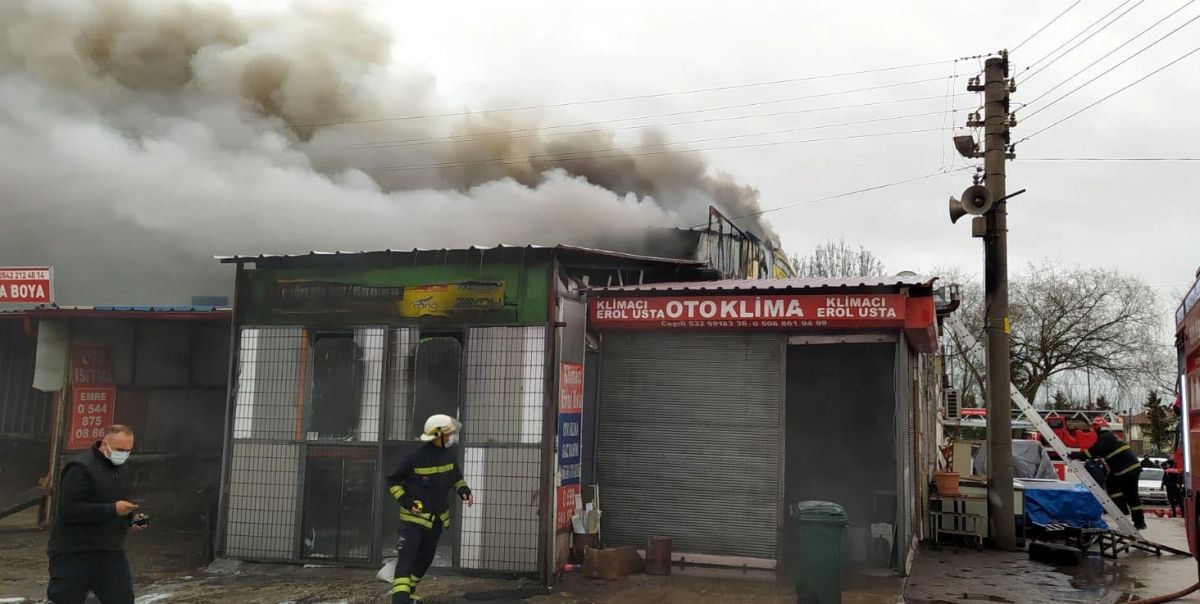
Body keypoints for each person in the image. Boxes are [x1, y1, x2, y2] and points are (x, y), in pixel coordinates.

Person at [47, 425, 149, 604]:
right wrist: (113, 509)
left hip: (109, 551)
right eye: (119, 450)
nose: (124, 454)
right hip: (74, 552)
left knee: (122, 599)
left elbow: (120, 506)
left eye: (128, 450)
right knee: (65, 599)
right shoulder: (80, 468)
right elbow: (70, 511)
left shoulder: (124, 470)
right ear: (104, 445)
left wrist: (131, 519)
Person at [386, 414, 473, 603]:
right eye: (448, 434)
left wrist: (465, 491)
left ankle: (409, 593)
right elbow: (392, 480)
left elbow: (456, 478)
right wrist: (407, 501)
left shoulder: (449, 455)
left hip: (436, 521)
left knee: (424, 560)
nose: (451, 437)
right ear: (438, 436)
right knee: (407, 561)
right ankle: (400, 600)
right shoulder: (414, 457)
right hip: (413, 521)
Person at [1068, 417, 1146, 530]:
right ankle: (1122, 510)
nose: (1092, 431)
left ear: (1098, 428)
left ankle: (1139, 523)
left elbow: (1093, 452)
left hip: (1127, 470)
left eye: (1094, 428)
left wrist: (1076, 455)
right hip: (1122, 470)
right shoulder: (1109, 436)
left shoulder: (1105, 437)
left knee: (1131, 496)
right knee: (1111, 486)